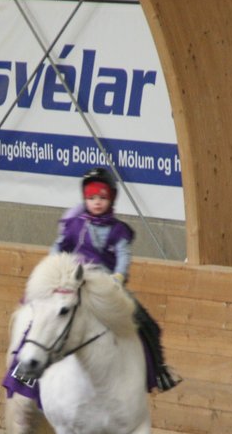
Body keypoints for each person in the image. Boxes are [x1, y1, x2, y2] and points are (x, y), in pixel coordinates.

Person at [49, 167, 181, 392]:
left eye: (102, 197)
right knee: (40, 314)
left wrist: (118, 278)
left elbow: (123, 256)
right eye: (91, 197)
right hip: (75, 281)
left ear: (111, 199)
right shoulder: (75, 225)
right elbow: (58, 247)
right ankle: (24, 367)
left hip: (106, 285)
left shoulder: (119, 230)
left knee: (148, 323)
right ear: (85, 199)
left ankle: (160, 372)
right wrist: (56, 268)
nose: (97, 202)